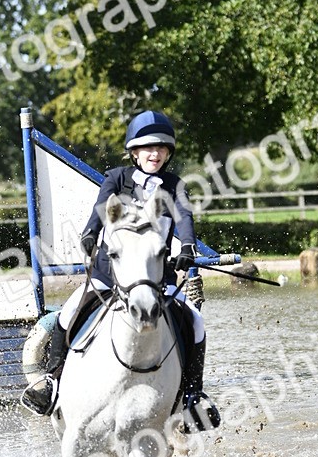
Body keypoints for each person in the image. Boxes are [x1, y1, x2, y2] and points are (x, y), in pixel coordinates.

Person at [21, 110, 221, 431]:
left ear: (168, 153)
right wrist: (88, 236)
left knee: (194, 321)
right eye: (147, 148)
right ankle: (51, 382)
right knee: (67, 313)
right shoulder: (116, 178)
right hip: (109, 274)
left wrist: (186, 248)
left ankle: (192, 397)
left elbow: (184, 219)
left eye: (161, 148)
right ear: (134, 152)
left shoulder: (175, 186)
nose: (154, 154)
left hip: (156, 278)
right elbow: (99, 212)